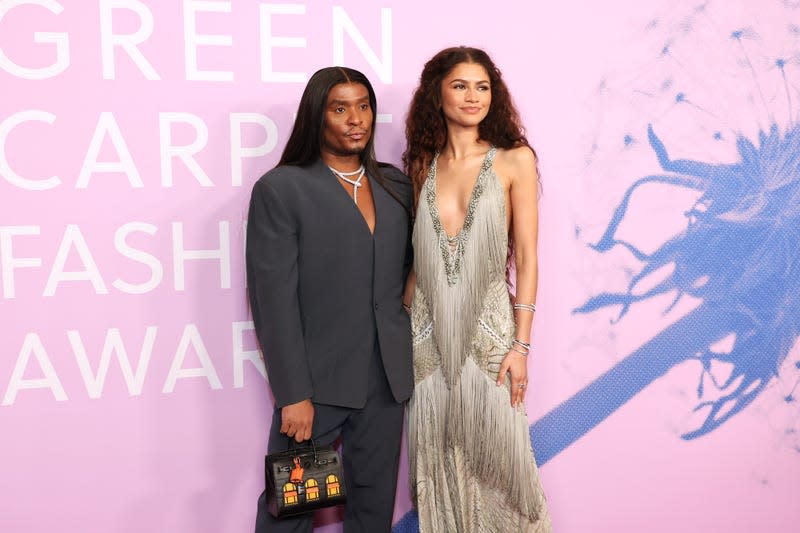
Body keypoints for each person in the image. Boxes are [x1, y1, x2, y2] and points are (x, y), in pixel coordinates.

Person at [246, 66, 414, 533]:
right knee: (292, 516)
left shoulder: (395, 186)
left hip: (385, 384)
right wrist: (293, 394)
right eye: (340, 109)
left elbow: (407, 274)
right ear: (317, 116)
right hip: (315, 390)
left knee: (373, 514)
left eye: (364, 107)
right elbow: (272, 300)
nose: (355, 119)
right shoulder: (283, 189)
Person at [402, 46, 552, 532]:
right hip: (425, 343)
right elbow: (419, 263)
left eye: (483, 86)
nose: (473, 96)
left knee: (503, 476)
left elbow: (527, 258)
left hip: (489, 341)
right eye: (460, 85)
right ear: (437, 93)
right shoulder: (422, 163)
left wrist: (521, 344)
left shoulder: (514, 160)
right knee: (439, 471)